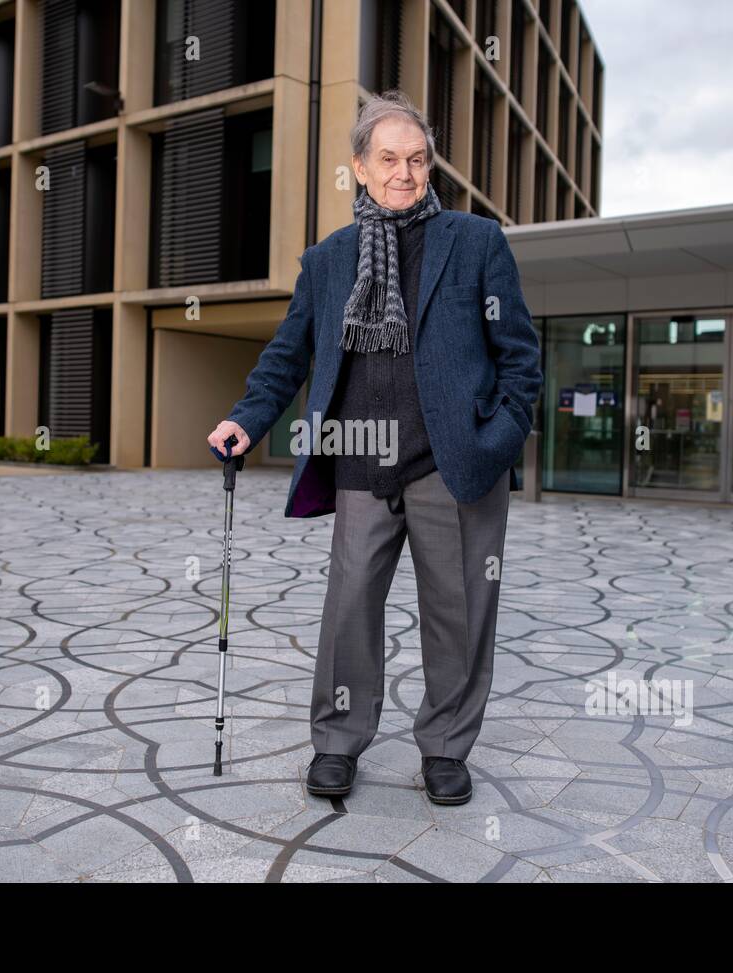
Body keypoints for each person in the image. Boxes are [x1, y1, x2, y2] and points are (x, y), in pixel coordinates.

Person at [206, 90, 541, 805]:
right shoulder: (330, 261)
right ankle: (337, 741)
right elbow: (288, 354)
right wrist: (246, 419)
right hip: (359, 459)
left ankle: (446, 747)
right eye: (388, 159)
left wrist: (500, 437)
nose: (404, 173)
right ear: (359, 166)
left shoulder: (476, 242)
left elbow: (521, 358)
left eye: (417, 159)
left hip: (454, 464)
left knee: (459, 614)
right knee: (349, 611)